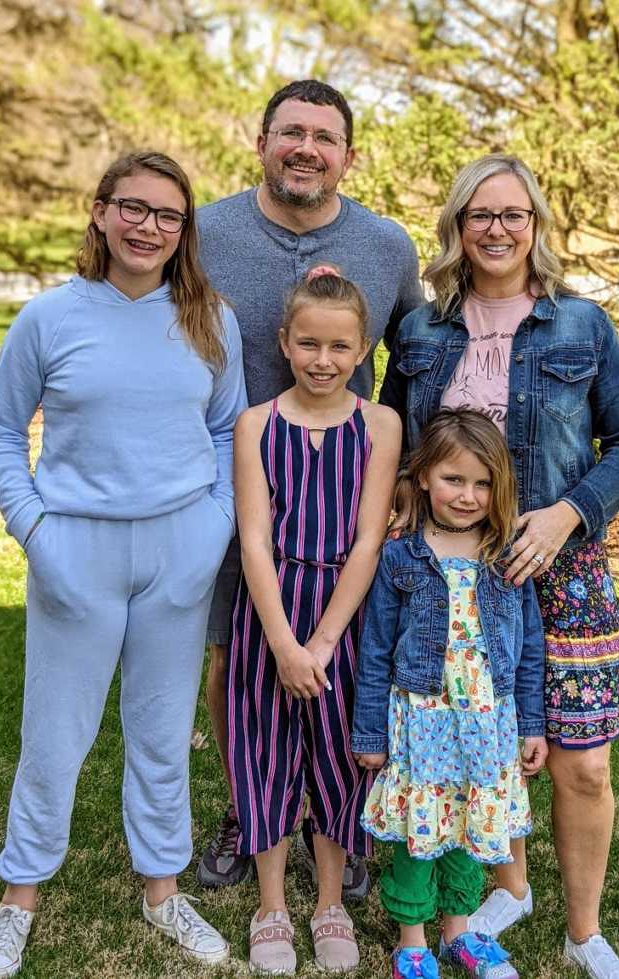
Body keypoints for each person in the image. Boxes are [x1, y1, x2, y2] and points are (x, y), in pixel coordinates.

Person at [379, 154, 619, 979]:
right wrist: (402, 494)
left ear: (535, 225)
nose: (496, 229)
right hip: (455, 566)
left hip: (559, 563)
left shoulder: (581, 324)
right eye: (479, 215)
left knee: (582, 758)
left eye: (513, 214)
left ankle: (584, 931)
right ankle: (509, 885)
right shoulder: (422, 330)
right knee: (475, 741)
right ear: (457, 228)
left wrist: (569, 510)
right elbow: (396, 436)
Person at [0, 151, 246, 978]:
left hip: (179, 550)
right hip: (76, 549)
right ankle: (18, 897)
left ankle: (163, 889)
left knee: (162, 733)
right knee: (53, 736)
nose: (149, 226)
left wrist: (212, 531)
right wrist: (38, 533)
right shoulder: (50, 318)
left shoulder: (209, 318)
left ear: (183, 230)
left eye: (168, 215)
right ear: (99, 212)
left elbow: (231, 431)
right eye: (133, 207)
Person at [196, 78, 423, 896]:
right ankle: (248, 804)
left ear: (348, 157)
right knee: (235, 659)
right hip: (232, 484)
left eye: (325, 138)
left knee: (348, 666)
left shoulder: (388, 247)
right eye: (291, 132)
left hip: (341, 495)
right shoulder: (205, 233)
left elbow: (415, 359)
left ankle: (339, 814)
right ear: (261, 142)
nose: (307, 149)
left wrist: (401, 469)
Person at [226, 269, 401, 973]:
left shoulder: (379, 425)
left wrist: (324, 642)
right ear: (284, 342)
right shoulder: (256, 424)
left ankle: (329, 898)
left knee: (337, 758)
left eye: (339, 346)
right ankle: (271, 903)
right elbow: (254, 540)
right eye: (308, 343)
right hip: (270, 608)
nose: (322, 359)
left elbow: (368, 539)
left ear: (362, 349)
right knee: (263, 751)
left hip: (345, 614)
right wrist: (282, 641)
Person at [352, 408, 547, 979]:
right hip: (422, 722)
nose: (467, 495)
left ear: (500, 487)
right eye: (453, 479)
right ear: (423, 480)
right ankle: (413, 944)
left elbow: (529, 648)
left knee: (471, 828)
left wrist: (532, 726)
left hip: (488, 724)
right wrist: (370, 733)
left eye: (482, 483)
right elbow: (375, 650)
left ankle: (460, 933)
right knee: (421, 831)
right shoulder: (402, 557)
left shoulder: (507, 554)